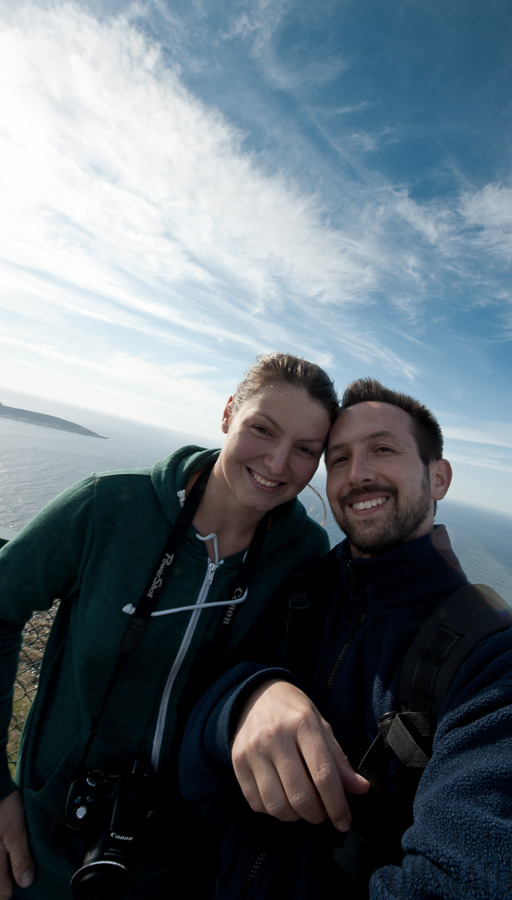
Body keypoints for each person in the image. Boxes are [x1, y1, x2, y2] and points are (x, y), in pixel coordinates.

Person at [180, 378, 512, 899]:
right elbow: (192, 760)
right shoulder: (301, 590)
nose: (358, 474)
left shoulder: (500, 671)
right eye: (339, 458)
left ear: (438, 478)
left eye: (383, 449)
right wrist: (245, 701)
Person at [0, 352, 339, 900]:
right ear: (229, 413)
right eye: (262, 429)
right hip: (45, 843)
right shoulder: (110, 507)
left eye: (306, 450)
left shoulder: (301, 553)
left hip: (182, 862)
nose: (278, 464)